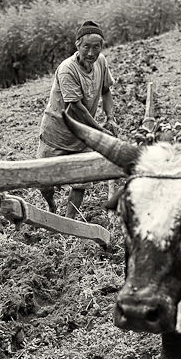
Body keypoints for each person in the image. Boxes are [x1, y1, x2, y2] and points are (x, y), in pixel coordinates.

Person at [37, 20, 118, 218]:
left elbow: (106, 91)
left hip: (82, 135)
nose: (91, 53)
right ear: (77, 45)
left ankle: (69, 222)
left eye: (96, 47)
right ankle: (51, 205)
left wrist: (111, 118)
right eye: (86, 47)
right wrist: (99, 131)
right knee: (44, 182)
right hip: (57, 133)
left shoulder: (101, 62)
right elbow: (76, 108)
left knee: (81, 182)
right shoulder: (67, 69)